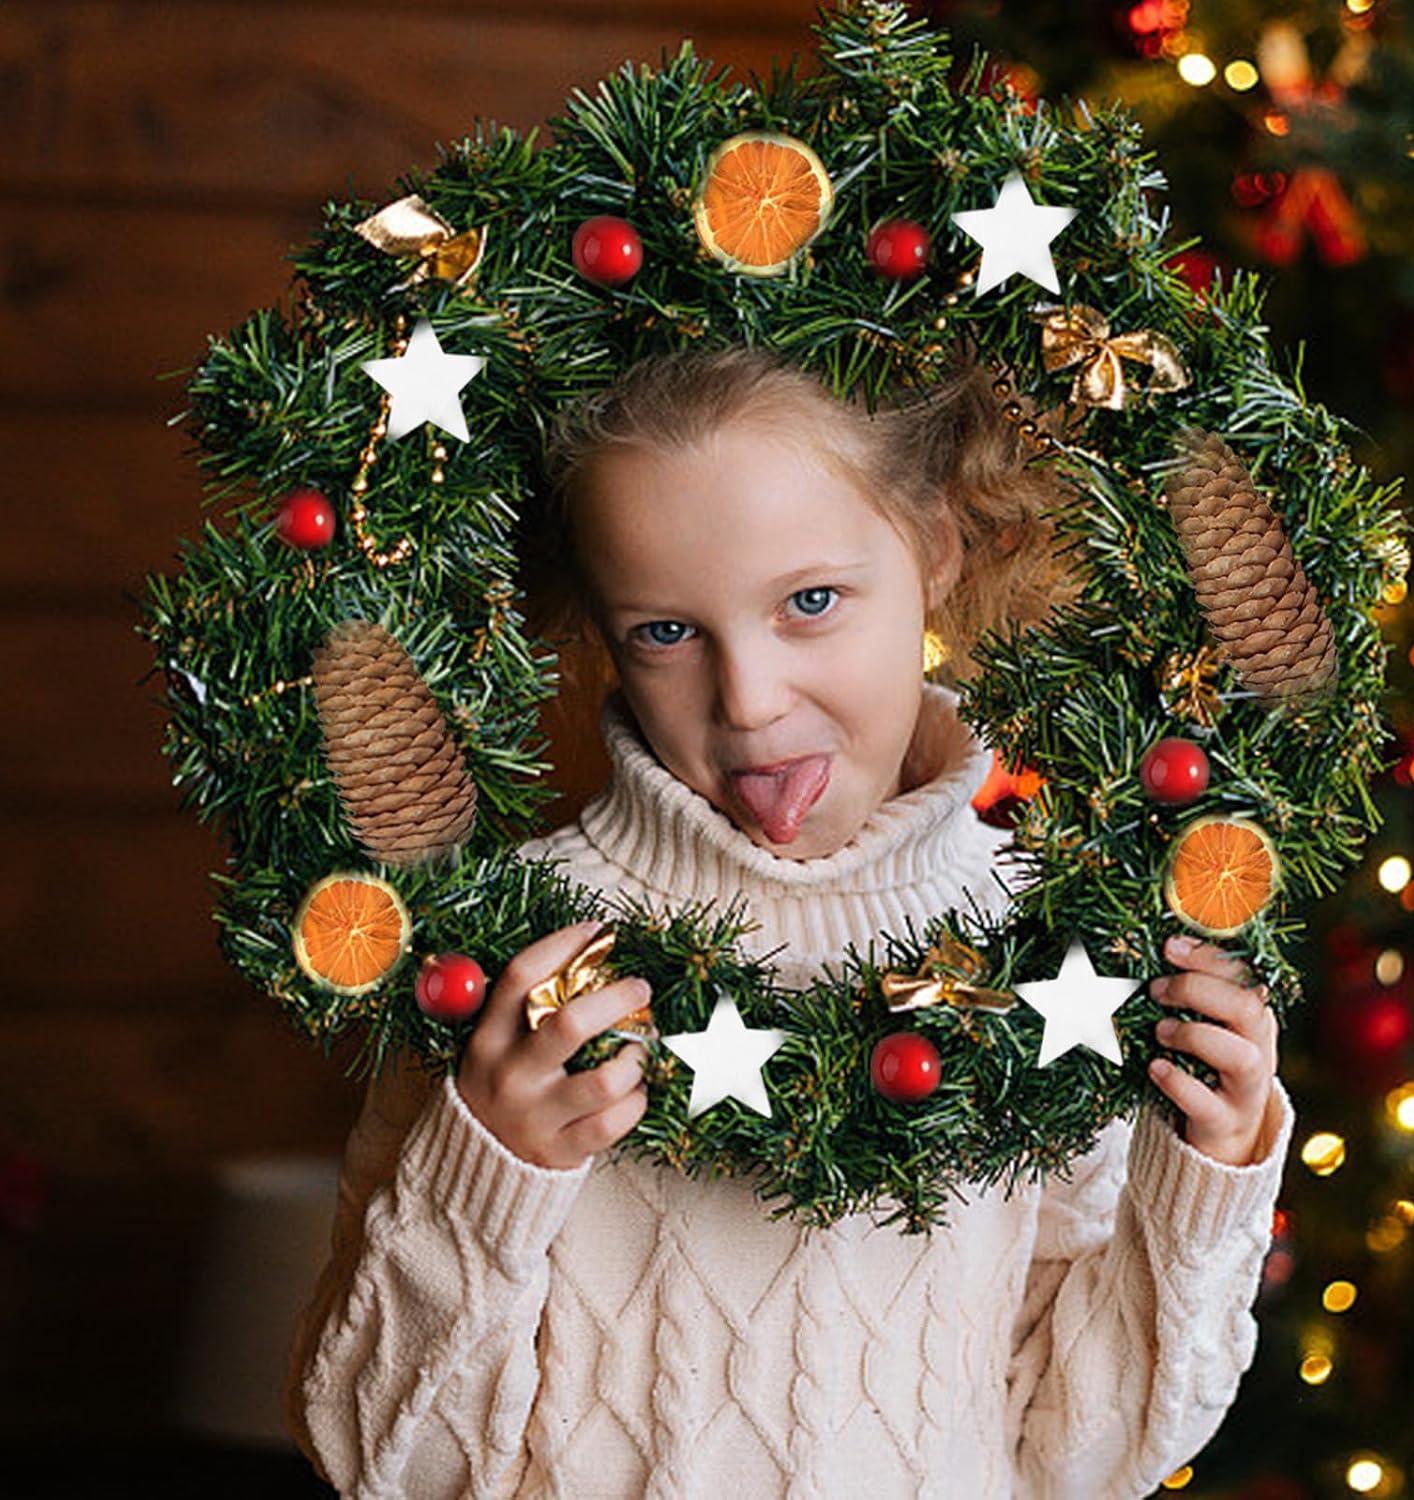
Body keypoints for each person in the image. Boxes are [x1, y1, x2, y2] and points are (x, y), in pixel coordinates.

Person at [284, 344, 1294, 1499]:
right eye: (666, 632)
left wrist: (1202, 1176)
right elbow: (380, 1461)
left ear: (934, 548)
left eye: (810, 603)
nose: (751, 701)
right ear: (603, 630)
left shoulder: (1053, 959)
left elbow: (1088, 1456)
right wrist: (490, 1167)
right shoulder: (513, 958)